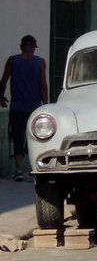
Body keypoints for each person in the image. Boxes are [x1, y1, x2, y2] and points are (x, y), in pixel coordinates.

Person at [0, 35, 49, 181]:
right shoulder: (40, 62)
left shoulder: (12, 60)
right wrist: (45, 106)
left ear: (21, 46)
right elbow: (43, 85)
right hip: (34, 107)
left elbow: (3, 81)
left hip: (17, 106)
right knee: (37, 137)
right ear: (34, 47)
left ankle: (19, 169)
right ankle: (37, 167)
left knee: (17, 136)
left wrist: (1, 97)